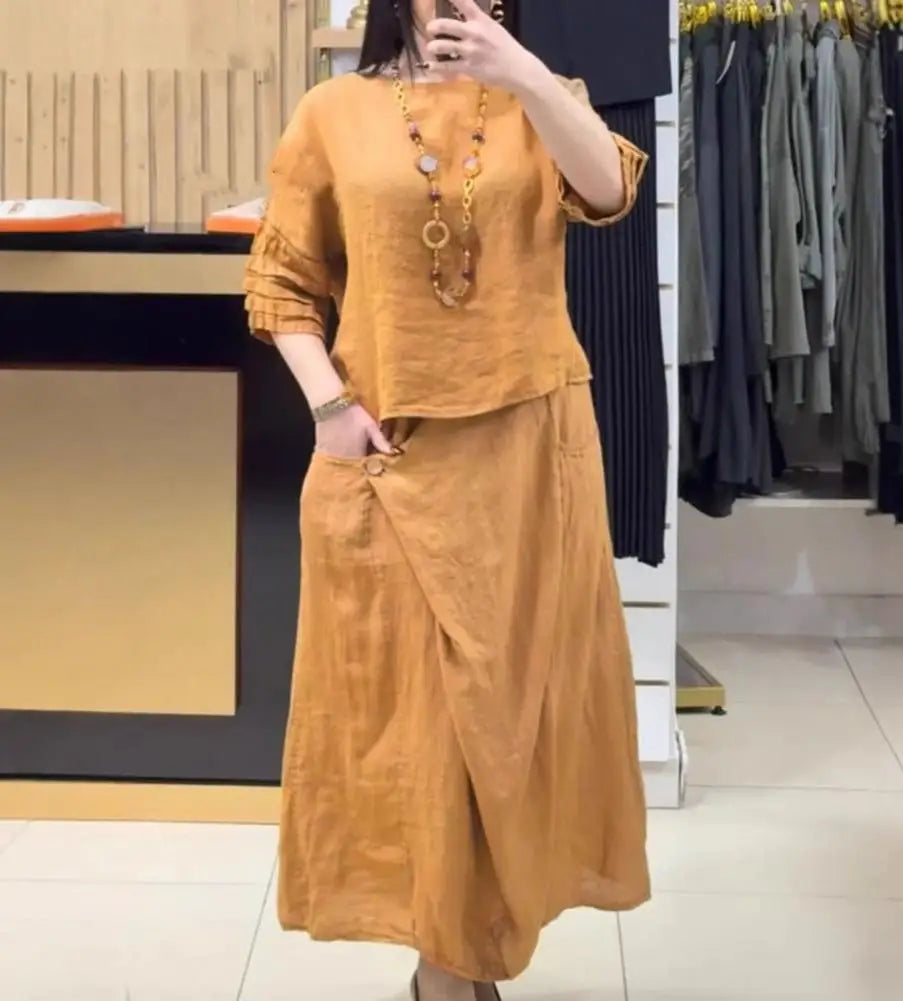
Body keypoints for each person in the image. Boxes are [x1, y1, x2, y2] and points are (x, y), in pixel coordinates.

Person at [242, 0, 652, 997]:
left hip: (528, 458)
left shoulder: (540, 99)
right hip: (390, 455)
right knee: (416, 725)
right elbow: (282, 282)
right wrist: (329, 406)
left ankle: (454, 966)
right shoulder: (334, 111)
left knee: (510, 722)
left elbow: (608, 191)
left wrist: (522, 73)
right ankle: (448, 967)